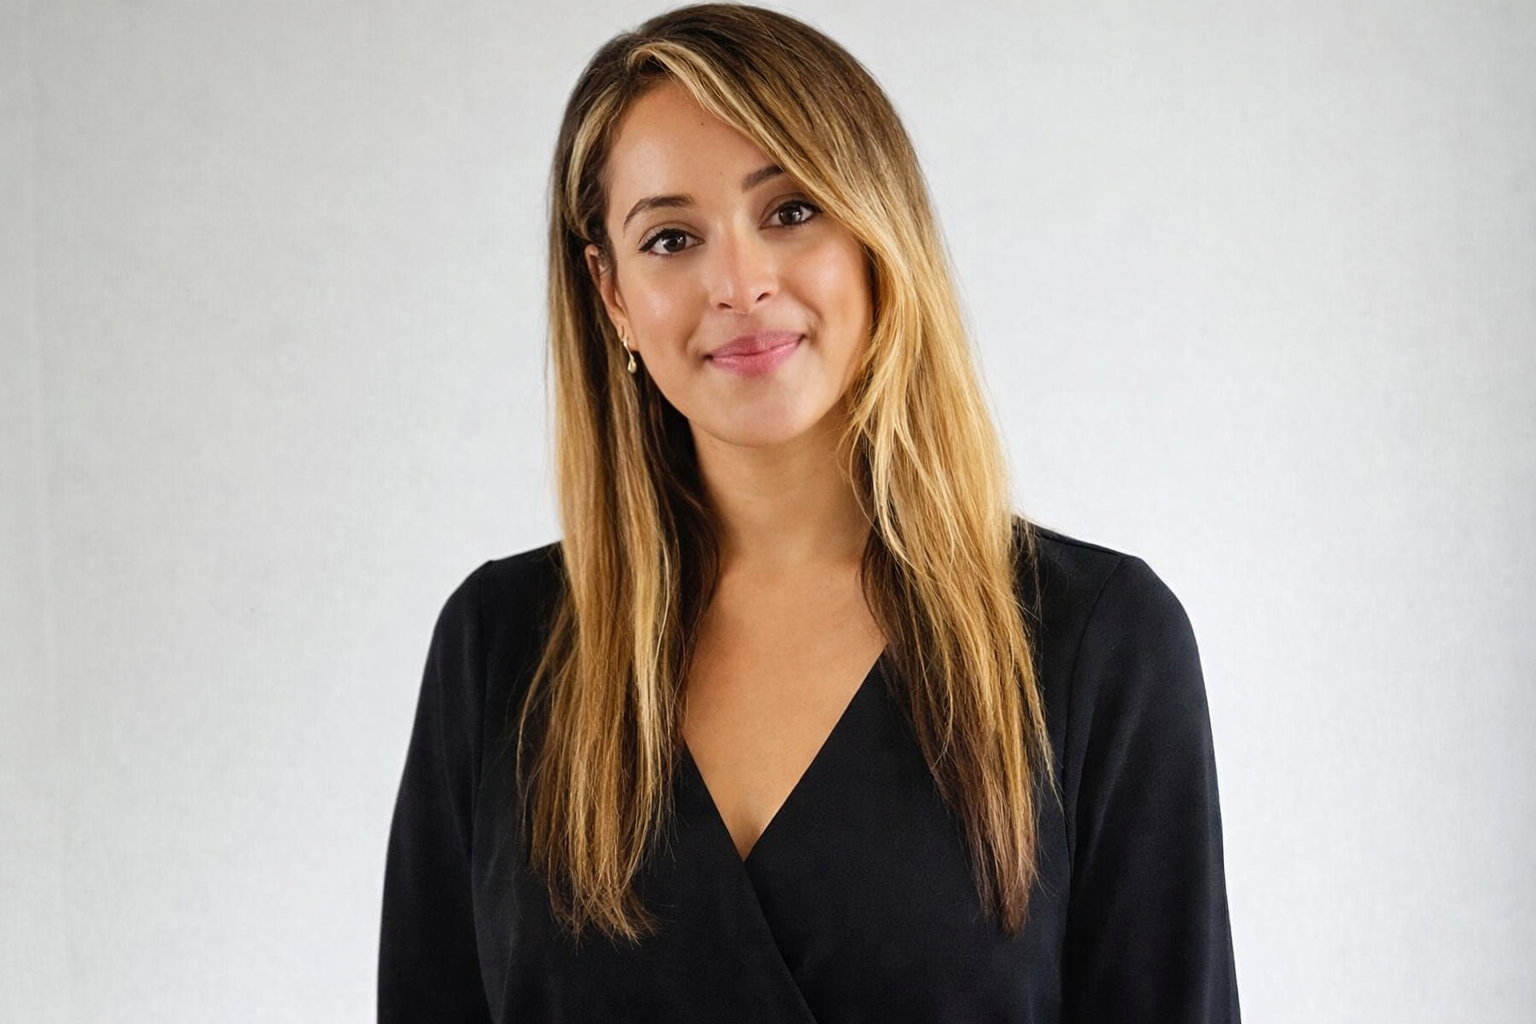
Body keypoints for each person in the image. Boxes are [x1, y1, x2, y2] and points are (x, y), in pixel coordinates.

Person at [377, 4, 1240, 1021]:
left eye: (790, 211)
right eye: (670, 237)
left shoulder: (1096, 641)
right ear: (611, 295)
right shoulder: (499, 649)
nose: (739, 284)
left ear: (877, 234)